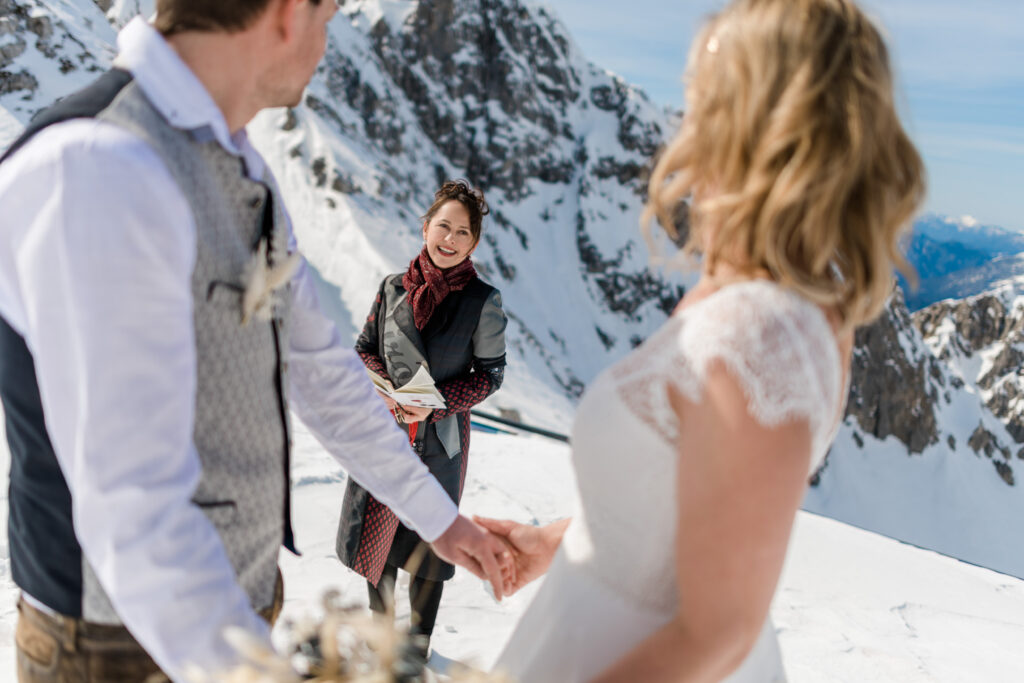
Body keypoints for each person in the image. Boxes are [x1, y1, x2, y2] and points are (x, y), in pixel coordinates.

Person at [0, 2, 511, 682]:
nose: (330, 39)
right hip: (116, 642)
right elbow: (130, 496)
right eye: (328, 15)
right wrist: (249, 667)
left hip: (232, 618)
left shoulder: (240, 168)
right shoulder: (99, 166)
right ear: (286, 14)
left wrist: (443, 522)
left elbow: (321, 372)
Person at [476, 0, 925, 681]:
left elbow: (719, 632)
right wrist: (553, 543)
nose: (681, 126)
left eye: (702, 98)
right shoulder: (770, 300)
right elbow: (684, 498)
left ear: (758, 121)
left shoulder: (760, 332)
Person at [336, 180, 507, 658]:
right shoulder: (393, 288)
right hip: (386, 433)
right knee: (377, 537)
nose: (449, 240)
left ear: (474, 242)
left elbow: (490, 376)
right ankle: (380, 637)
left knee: (428, 546)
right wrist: (386, 390)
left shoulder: (481, 302)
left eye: (462, 233)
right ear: (425, 226)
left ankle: (417, 649)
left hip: (439, 441)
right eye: (443, 227)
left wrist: (435, 404)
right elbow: (364, 350)